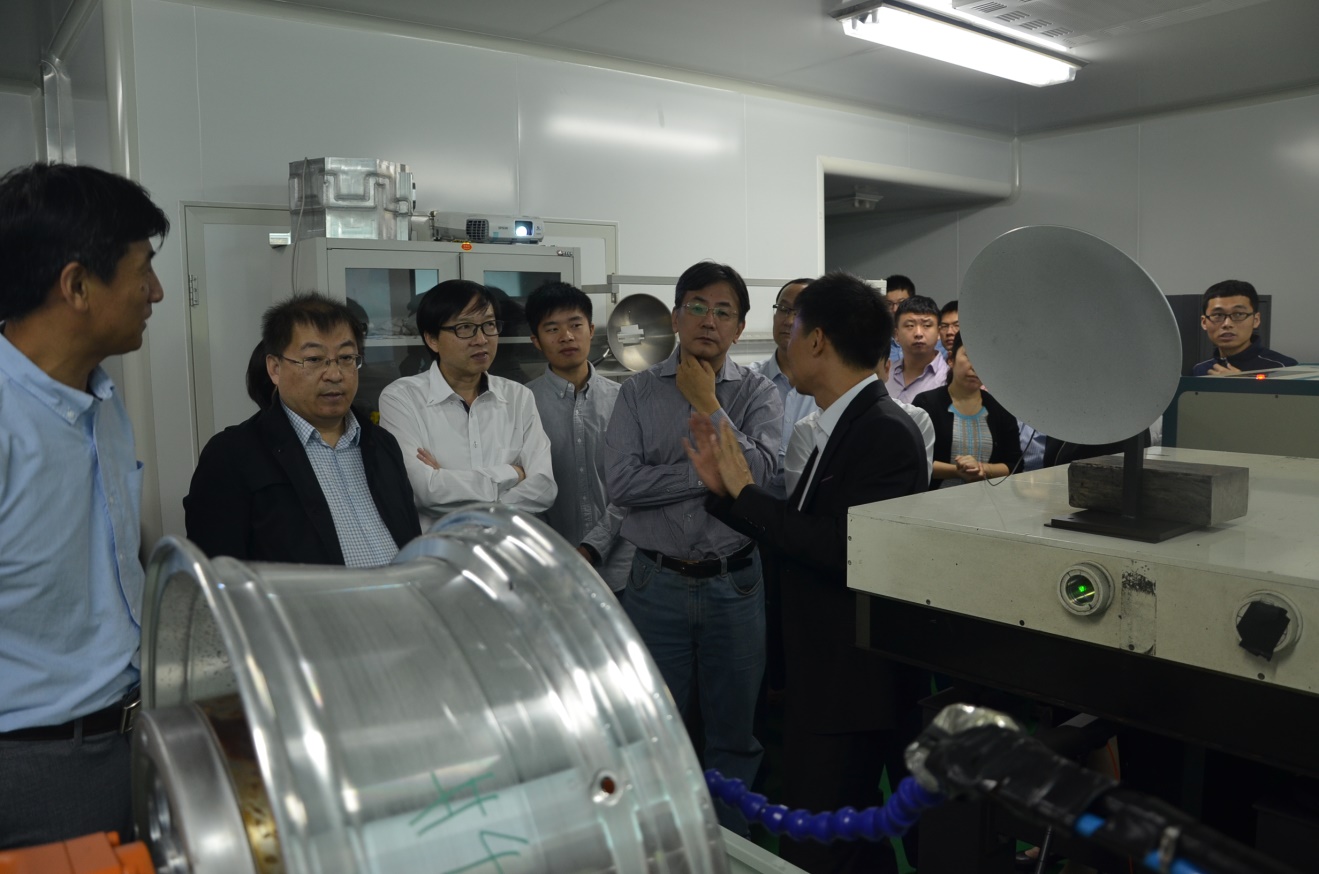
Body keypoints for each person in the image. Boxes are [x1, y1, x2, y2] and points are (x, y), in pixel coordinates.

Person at [685, 271, 926, 874]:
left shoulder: (881, 430)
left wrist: (744, 492)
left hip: (851, 679)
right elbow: (803, 531)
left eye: (791, 330)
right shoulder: (837, 423)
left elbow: (842, 547)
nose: (783, 343)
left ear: (817, 340)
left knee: (820, 840)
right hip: (826, 670)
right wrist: (732, 496)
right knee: (848, 838)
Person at [0, 163, 168, 848]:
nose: (156, 292)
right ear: (76, 285)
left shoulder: (99, 398)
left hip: (126, 735)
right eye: (142, 270)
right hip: (36, 762)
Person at [603, 260, 781, 834]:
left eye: (723, 311)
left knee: (735, 733)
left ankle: (729, 849)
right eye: (698, 307)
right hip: (655, 584)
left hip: (736, 583)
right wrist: (710, 474)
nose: (709, 320)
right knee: (657, 730)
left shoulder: (757, 392)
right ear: (676, 317)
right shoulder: (635, 392)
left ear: (740, 327)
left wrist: (708, 403)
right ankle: (666, 846)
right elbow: (621, 484)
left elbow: (763, 479)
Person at [185, 293, 421, 565]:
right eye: (314, 359)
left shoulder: (382, 444)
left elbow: (411, 540)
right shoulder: (233, 455)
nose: (335, 374)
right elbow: (217, 570)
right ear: (275, 368)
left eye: (346, 357)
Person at [379, 279, 555, 529]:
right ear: (432, 339)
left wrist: (448, 482)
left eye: (489, 325)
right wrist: (512, 473)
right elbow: (424, 491)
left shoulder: (518, 397)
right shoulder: (402, 398)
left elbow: (543, 488)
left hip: (505, 549)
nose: (481, 339)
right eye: (465, 327)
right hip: (440, 550)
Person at [523, 281, 633, 595]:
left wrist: (591, 548)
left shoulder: (625, 400)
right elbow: (522, 495)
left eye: (575, 325)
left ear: (591, 330)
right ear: (536, 340)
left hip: (621, 570)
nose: (567, 336)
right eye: (552, 329)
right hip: (549, 572)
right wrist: (556, 553)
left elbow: (633, 487)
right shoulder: (522, 404)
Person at [784, 352, 933, 493]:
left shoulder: (915, 419)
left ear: (887, 369)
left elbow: (912, 493)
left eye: (868, 367)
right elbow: (802, 502)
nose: (859, 381)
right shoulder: (806, 429)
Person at [913, 332, 1022, 488]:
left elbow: (1015, 465)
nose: (975, 367)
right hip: (936, 498)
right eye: (969, 356)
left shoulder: (1001, 407)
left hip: (989, 499)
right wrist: (958, 471)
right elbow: (915, 461)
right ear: (951, 359)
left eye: (983, 360)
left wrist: (981, 469)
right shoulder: (926, 403)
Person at [750, 277, 819, 496]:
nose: (788, 320)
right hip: (753, 505)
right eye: (783, 309)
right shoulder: (749, 382)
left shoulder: (828, 388)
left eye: (799, 312)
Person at [1191, 280, 1296, 376]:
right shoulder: (1200, 370)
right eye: (1218, 315)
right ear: (1204, 322)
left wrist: (1242, 383)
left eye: (1238, 314)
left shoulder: (1284, 368)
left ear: (1256, 320)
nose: (1227, 324)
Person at [885, 295, 948, 402]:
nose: (918, 333)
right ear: (897, 334)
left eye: (926, 325)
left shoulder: (948, 379)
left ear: (938, 332)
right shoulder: (885, 375)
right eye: (910, 325)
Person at [883, 274, 915, 363]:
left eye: (901, 303)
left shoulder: (928, 340)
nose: (895, 309)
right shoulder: (877, 342)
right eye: (889, 304)